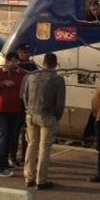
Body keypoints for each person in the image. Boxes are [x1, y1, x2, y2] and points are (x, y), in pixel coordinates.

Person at [22, 53, 66, 190]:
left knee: (31, 145)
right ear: (56, 64)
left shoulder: (31, 76)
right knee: (44, 148)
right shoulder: (58, 79)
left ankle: (28, 177)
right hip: (47, 116)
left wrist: (28, 110)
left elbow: (24, 95)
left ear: (44, 62)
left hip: (31, 114)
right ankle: (41, 180)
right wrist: (57, 117)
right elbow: (60, 103)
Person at [0, 51, 26, 177]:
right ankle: (0, 167)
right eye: (13, 61)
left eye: (17, 61)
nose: (16, 64)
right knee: (2, 137)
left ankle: (8, 162)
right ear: (7, 62)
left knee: (11, 137)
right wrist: (2, 84)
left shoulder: (22, 74)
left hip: (16, 110)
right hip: (0, 110)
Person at [9, 43, 39, 167]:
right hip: (18, 104)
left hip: (29, 105)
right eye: (24, 52)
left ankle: (26, 156)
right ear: (19, 53)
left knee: (29, 133)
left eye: (28, 52)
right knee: (15, 132)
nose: (27, 54)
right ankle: (12, 156)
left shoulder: (32, 66)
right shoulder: (16, 67)